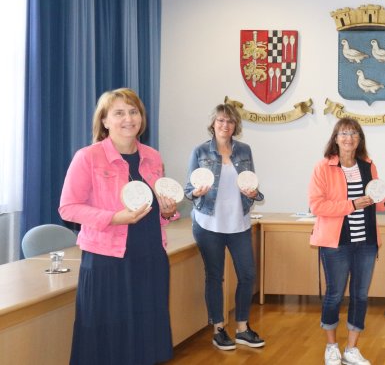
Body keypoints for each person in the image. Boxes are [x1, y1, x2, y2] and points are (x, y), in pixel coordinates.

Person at [59, 88, 178, 364]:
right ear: (104, 121)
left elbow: (153, 210)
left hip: (150, 256)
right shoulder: (88, 157)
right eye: (119, 113)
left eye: (133, 111)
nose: (128, 118)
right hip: (107, 261)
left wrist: (168, 212)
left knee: (146, 330)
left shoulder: (153, 157)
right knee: (108, 335)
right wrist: (113, 217)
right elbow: (68, 208)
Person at [309, 118, 385, 365]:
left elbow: (375, 199)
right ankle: (331, 346)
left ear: (360, 139)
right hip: (336, 243)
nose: (348, 138)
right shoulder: (323, 167)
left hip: (366, 242)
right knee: (334, 295)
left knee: (360, 295)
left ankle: (351, 349)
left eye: (354, 134)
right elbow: (317, 205)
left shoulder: (368, 166)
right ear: (336, 138)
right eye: (344, 133)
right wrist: (351, 205)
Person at [184, 103, 265, 351]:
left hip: (238, 222)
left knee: (248, 275)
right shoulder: (199, 151)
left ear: (235, 126)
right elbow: (189, 190)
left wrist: (253, 193)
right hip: (208, 223)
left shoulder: (244, 150)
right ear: (213, 124)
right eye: (220, 120)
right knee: (214, 276)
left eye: (229, 121)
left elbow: (250, 184)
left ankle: (242, 328)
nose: (224, 125)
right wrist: (196, 192)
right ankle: (218, 328)